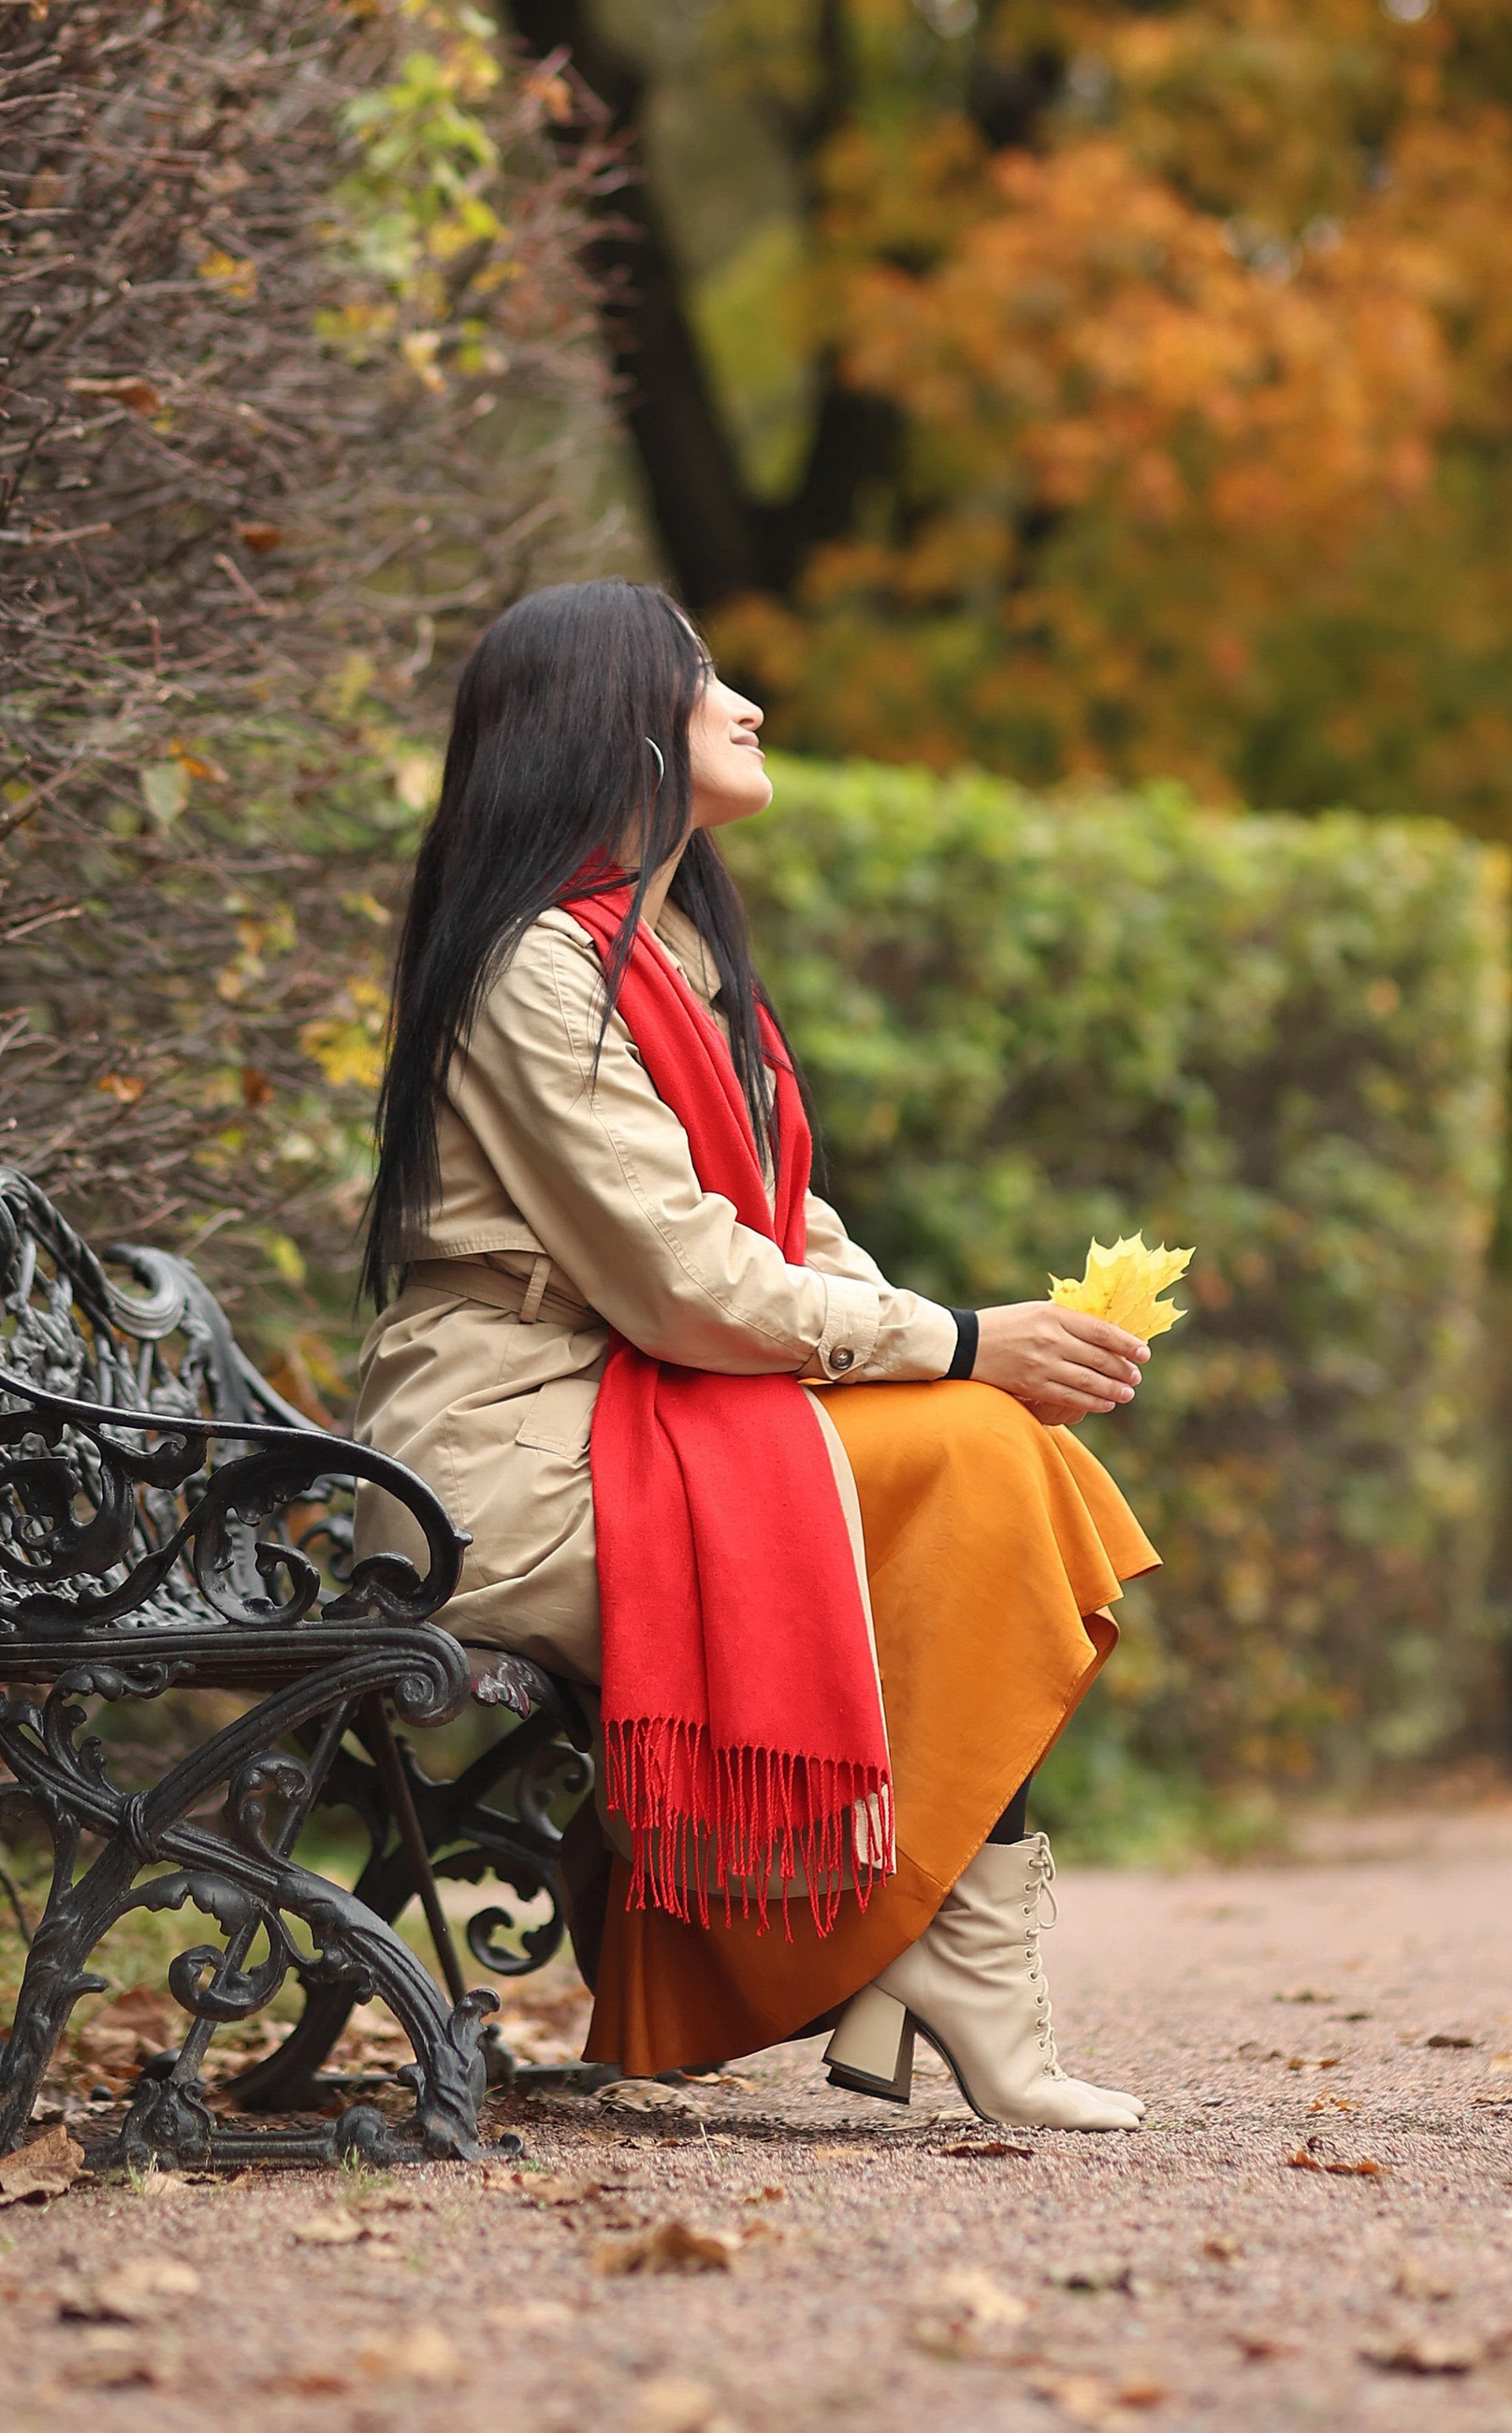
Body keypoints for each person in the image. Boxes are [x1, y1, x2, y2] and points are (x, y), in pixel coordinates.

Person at [350, 578, 1159, 2128]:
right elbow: (680, 1280)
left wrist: (965, 1354)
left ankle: (930, 1957)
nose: (747, 704)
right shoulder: (536, 967)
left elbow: (792, 1238)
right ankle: (935, 1964)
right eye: (702, 677)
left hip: (625, 1419)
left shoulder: (675, 970)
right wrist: (963, 1345)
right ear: (614, 727)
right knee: (987, 1458)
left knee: (997, 1455)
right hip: (508, 1467)